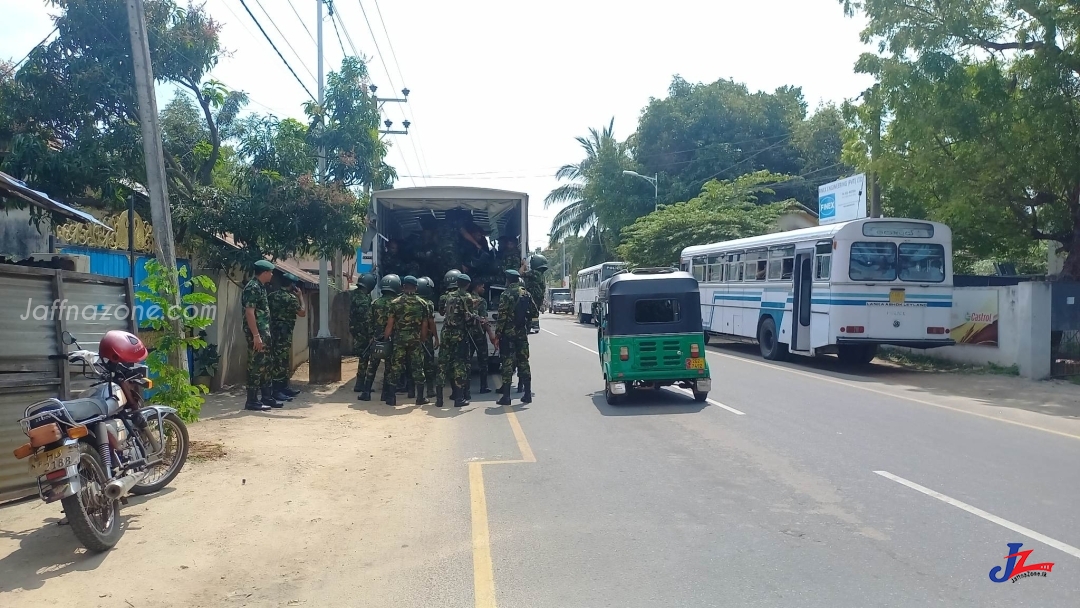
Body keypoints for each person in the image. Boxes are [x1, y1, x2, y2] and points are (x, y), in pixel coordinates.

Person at [383, 276, 430, 406]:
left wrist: (385, 339)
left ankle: (391, 398)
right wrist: (423, 339)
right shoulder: (422, 303)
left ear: (403, 287)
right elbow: (424, 325)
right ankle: (420, 398)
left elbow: (390, 324)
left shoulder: (395, 303)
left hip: (399, 340)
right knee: (417, 367)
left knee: (396, 367)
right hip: (415, 340)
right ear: (416, 287)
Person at [242, 260, 280, 411]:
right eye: (270, 272)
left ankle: (267, 397)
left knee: (266, 365)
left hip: (264, 332)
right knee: (256, 365)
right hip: (256, 333)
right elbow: (249, 312)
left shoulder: (261, 287)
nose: (271, 275)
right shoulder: (252, 287)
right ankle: (251, 401)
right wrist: (256, 335)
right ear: (264, 272)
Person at [358, 274, 400, 402]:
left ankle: (366, 393)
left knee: (373, 365)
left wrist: (371, 336)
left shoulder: (375, 303)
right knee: (389, 366)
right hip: (391, 338)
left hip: (376, 338)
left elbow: (369, 321)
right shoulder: (397, 303)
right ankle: (385, 394)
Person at [437, 273, 476, 407]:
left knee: (442, 363)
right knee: (459, 364)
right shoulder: (467, 297)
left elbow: (441, 312)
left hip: (446, 332)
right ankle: (459, 398)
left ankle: (439, 399)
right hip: (459, 334)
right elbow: (468, 318)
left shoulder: (446, 296)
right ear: (468, 285)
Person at [495, 269, 533, 405]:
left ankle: (506, 397)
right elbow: (534, 312)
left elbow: (502, 316)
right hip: (522, 333)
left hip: (508, 334)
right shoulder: (526, 294)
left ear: (508, 280)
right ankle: (527, 394)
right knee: (524, 362)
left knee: (507, 363)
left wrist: (498, 333)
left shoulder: (505, 294)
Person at [267, 272, 306, 402]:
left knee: (279, 361)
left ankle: (283, 388)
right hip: (284, 334)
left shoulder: (272, 296)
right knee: (281, 362)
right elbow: (302, 312)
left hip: (273, 333)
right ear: (292, 285)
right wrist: (300, 297)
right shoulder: (290, 298)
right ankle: (278, 390)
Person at [466, 280, 497, 396]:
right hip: (479, 335)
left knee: (466, 361)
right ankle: (483, 387)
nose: (483, 289)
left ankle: (466, 389)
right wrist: (490, 334)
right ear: (477, 287)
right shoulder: (481, 301)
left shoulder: (466, 299)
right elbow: (484, 320)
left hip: (467, 334)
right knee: (483, 362)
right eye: (482, 287)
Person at [350, 272, 378, 392]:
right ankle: (360, 384)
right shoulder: (362, 299)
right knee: (364, 357)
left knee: (363, 357)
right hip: (363, 332)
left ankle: (360, 383)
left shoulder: (357, 294)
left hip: (357, 330)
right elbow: (367, 319)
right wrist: (372, 334)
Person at [416, 277, 440, 397]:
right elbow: (431, 322)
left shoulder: (411, 300)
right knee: (428, 363)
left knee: (412, 363)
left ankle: (410, 390)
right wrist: (436, 337)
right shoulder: (428, 304)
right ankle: (430, 389)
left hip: (412, 338)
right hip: (426, 338)